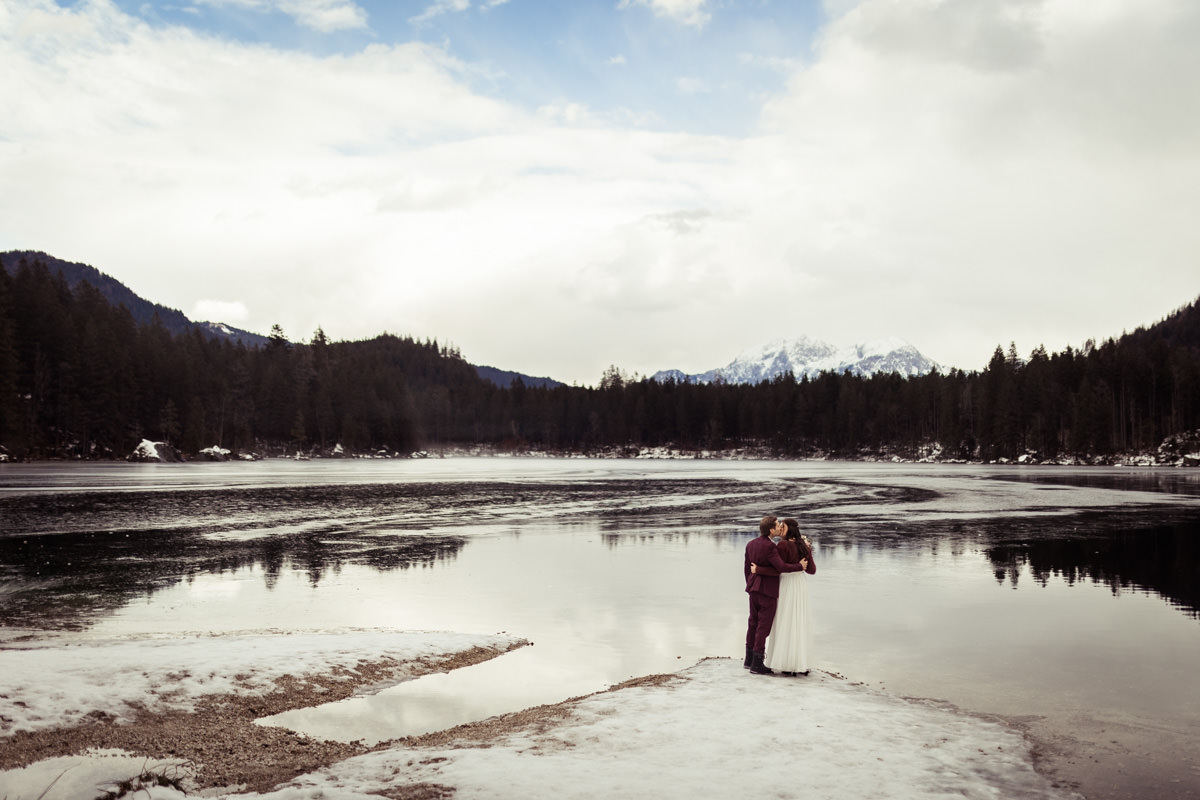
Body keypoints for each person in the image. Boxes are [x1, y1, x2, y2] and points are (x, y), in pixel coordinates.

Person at [744, 515, 807, 675]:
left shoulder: (751, 544)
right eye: (778, 525)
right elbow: (780, 567)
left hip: (753, 589)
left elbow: (746, 568)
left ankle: (748, 659)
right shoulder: (771, 547)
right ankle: (757, 664)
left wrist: (752, 581)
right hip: (767, 591)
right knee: (763, 627)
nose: (780, 527)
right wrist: (799, 566)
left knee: (753, 622)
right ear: (771, 530)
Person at [762, 517, 816, 675]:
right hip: (800, 585)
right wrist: (807, 552)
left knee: (785, 620)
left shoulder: (782, 545)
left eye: (782, 527)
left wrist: (758, 570)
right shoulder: (804, 546)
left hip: (786, 584)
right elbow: (811, 570)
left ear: (789, 529)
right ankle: (800, 663)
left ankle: (786, 663)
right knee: (798, 621)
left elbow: (777, 568)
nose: (780, 529)